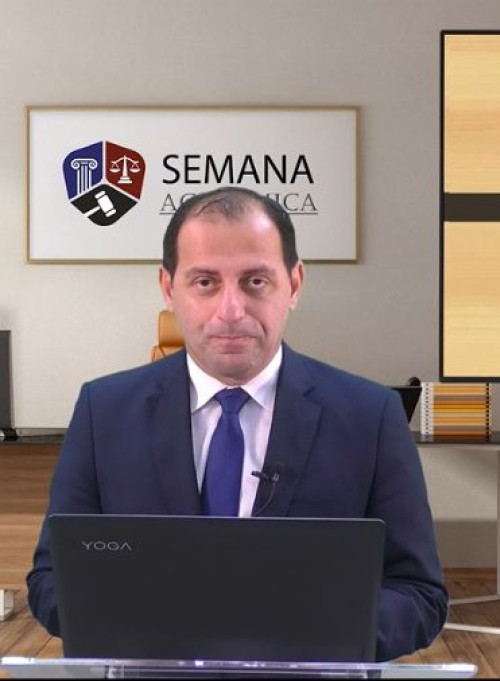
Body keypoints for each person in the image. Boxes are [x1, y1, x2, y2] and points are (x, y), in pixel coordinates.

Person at [26, 186, 448, 661]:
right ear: (168, 288)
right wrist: (150, 627)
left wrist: (299, 634)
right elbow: (51, 581)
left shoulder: (371, 416)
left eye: (255, 281)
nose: (231, 310)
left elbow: (419, 594)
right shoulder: (103, 411)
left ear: (294, 284)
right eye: (205, 282)